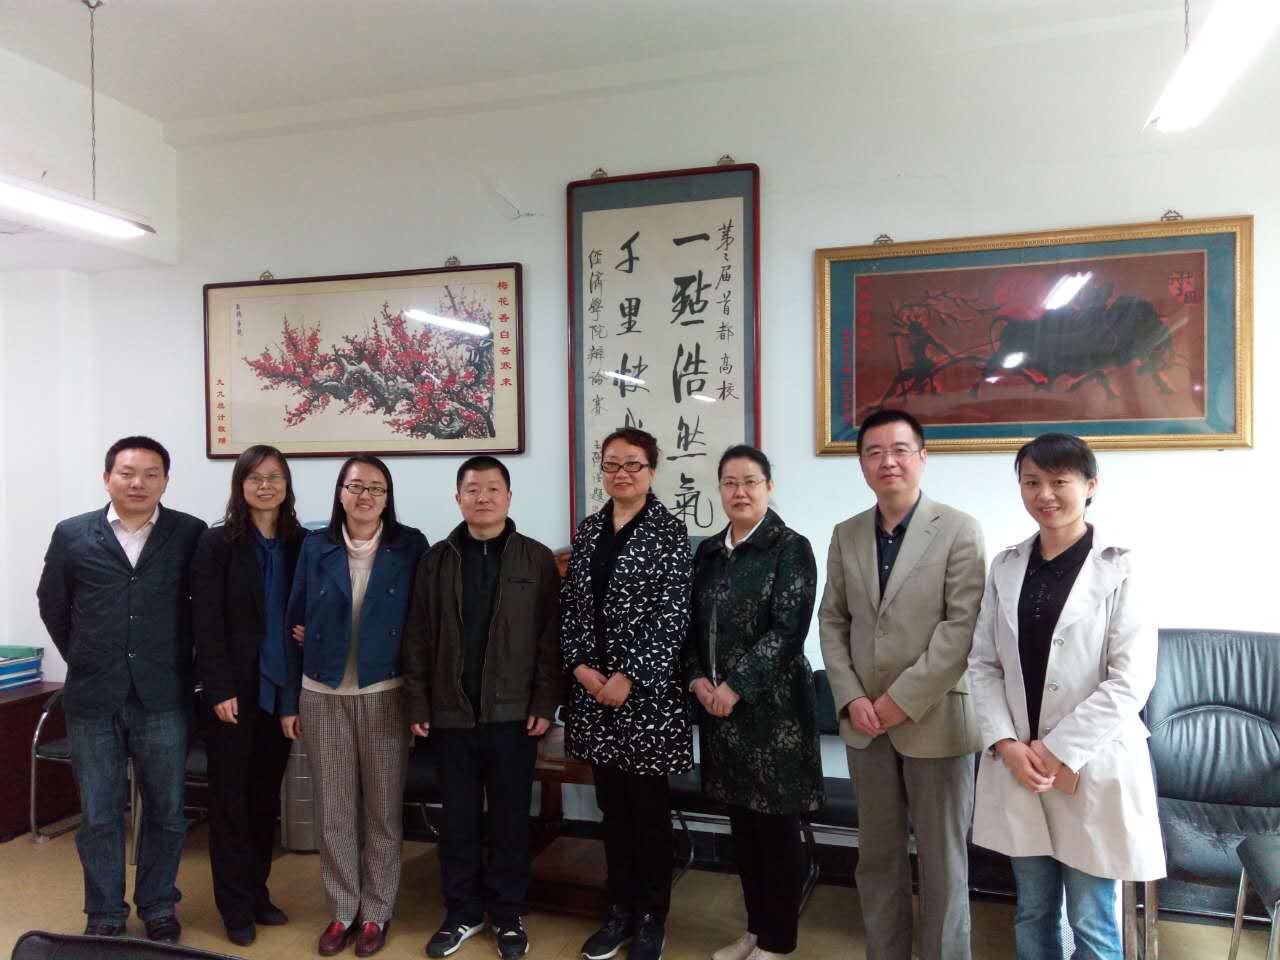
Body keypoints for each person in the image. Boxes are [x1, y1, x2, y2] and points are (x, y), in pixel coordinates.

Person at [968, 433, 1164, 959]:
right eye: (1031, 482)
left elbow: (1130, 679)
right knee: (1033, 911)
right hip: (1020, 767)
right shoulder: (1006, 566)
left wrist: (1056, 749)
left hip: (1089, 764)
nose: (1045, 494)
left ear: (1090, 485)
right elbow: (983, 664)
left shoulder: (1122, 566)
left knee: (1092, 921)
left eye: (1060, 481)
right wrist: (1006, 744)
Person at [818, 409, 986, 960]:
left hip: (936, 720)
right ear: (862, 464)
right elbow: (832, 620)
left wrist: (899, 701)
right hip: (865, 724)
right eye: (873, 452)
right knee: (878, 858)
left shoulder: (960, 529)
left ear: (922, 457)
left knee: (943, 863)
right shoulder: (846, 534)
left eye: (899, 450)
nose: (887, 461)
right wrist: (851, 697)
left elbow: (961, 628)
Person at [36, 436, 207, 944]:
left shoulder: (189, 533)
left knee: (166, 812)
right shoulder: (72, 534)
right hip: (93, 698)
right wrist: (85, 656)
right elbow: (52, 603)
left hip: (164, 695)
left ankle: (158, 905)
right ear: (107, 477)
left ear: (166, 481)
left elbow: (202, 610)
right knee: (100, 814)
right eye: (127, 473)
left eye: (151, 474)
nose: (138, 483)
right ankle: (105, 912)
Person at [403, 455, 562, 960]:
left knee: (512, 820)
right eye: (473, 489)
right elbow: (417, 638)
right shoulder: (435, 560)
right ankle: (462, 913)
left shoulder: (535, 559)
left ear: (509, 497)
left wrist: (545, 701)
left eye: (493, 488)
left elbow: (550, 639)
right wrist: (417, 701)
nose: (483, 497)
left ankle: (509, 914)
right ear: (458, 499)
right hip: (450, 715)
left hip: (514, 716)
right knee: (459, 822)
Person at [280, 455, 429, 958]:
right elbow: (294, 619)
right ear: (340, 492)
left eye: (376, 488)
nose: (365, 496)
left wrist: (419, 700)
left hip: (385, 692)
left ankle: (376, 913)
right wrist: (290, 698)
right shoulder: (314, 546)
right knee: (335, 810)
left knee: (383, 811)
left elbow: (421, 624)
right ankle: (343, 909)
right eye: (355, 486)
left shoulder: (410, 546)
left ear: (388, 498)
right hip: (322, 694)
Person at [560, 427, 692, 960]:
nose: (621, 473)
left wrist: (629, 677)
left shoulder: (670, 532)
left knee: (648, 814)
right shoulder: (590, 529)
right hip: (594, 697)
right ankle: (618, 912)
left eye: (633, 464)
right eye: (612, 463)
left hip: (647, 700)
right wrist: (580, 668)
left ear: (652, 471)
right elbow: (571, 606)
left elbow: (673, 616)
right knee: (611, 811)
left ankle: (652, 917)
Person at [686, 445, 822, 960]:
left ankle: (778, 941)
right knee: (742, 829)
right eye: (729, 482)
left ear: (769, 486)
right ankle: (754, 930)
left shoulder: (791, 548)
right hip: (721, 716)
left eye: (750, 481)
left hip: (775, 713)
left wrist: (734, 686)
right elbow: (689, 628)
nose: (739, 492)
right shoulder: (708, 552)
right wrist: (698, 680)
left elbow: (788, 630)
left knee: (776, 830)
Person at [191, 445, 304, 947]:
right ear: (240, 485)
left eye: (275, 476)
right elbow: (206, 621)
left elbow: (315, 607)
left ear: (287, 485)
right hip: (233, 694)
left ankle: (258, 893)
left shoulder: (303, 543)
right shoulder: (217, 544)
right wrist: (217, 687)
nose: (265, 485)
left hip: (281, 693)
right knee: (231, 803)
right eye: (255, 477)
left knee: (263, 803)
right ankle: (234, 906)